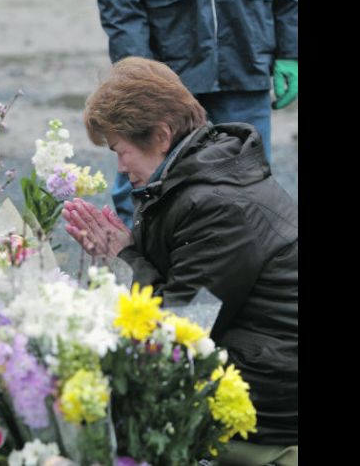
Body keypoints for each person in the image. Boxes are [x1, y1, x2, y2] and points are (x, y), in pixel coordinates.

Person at [63, 57, 297, 465]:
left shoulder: (218, 204)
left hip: (268, 399)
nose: (119, 167)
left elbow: (184, 328)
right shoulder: (196, 176)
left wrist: (123, 256)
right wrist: (125, 253)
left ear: (161, 135)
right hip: (261, 364)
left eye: (121, 150)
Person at [91, 0, 298, 227]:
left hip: (245, 54)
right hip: (167, 66)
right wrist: (139, 72)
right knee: (145, 188)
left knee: (250, 188)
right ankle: (138, 259)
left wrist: (291, 47)